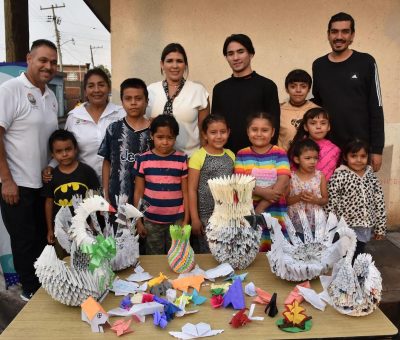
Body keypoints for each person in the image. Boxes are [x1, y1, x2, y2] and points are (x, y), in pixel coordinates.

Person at [0, 39, 59, 301]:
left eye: (53, 62)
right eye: (43, 60)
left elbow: (48, 141)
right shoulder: (10, 90)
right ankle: (29, 293)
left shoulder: (51, 96)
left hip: (41, 185)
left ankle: (41, 290)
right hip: (17, 185)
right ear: (29, 59)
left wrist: (50, 166)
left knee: (39, 241)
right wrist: (6, 180)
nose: (48, 66)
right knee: (23, 243)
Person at [312, 12, 384, 172]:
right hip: (327, 148)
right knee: (328, 195)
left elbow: (376, 106)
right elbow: (316, 105)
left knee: (358, 196)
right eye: (334, 31)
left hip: (359, 149)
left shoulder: (366, 62)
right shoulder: (318, 65)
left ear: (352, 35)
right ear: (328, 35)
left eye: (345, 31)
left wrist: (377, 149)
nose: (339, 36)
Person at [212, 34, 280, 153]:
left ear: (251, 54)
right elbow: (215, 125)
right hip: (226, 157)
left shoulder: (267, 86)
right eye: (230, 53)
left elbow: (274, 125)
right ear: (226, 57)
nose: (236, 57)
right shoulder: (219, 89)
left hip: (259, 158)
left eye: (240, 52)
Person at [133, 115, 189, 255]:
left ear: (175, 137)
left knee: (176, 255)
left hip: (176, 220)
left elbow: (186, 192)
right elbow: (138, 192)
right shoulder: (143, 159)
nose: (165, 142)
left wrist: (186, 220)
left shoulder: (182, 159)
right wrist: (138, 221)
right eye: (160, 137)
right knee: (154, 256)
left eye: (170, 138)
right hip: (151, 220)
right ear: (152, 135)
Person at [234, 112, 290, 251]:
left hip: (274, 211)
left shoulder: (280, 153)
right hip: (249, 210)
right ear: (248, 131)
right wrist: (265, 192)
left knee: (275, 248)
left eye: (264, 130)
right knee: (253, 247)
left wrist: (259, 209)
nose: (259, 134)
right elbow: (241, 182)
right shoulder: (242, 154)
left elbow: (283, 180)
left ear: (272, 132)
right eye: (254, 129)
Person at [57, 68, 125, 180]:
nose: (96, 90)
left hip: (117, 182)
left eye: (101, 85)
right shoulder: (74, 117)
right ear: (85, 91)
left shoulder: (122, 114)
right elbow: (65, 148)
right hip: (83, 181)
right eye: (91, 86)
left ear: (108, 88)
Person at [326, 139, 386, 260]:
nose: (359, 160)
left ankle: (354, 276)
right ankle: (347, 276)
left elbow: (379, 201)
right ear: (345, 157)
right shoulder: (339, 175)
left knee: (358, 253)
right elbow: (331, 203)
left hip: (364, 225)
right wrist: (330, 227)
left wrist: (381, 227)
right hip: (345, 226)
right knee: (345, 255)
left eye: (363, 156)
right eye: (354, 156)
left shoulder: (370, 175)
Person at [146, 43, 209, 157]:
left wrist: (200, 160)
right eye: (169, 61)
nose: (174, 65)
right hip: (155, 160)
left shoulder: (198, 91)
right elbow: (142, 124)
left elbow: (204, 132)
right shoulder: (150, 91)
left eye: (179, 61)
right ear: (162, 64)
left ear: (185, 65)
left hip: (189, 159)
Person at [98, 78, 151, 208]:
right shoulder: (113, 129)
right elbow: (107, 162)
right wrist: (105, 194)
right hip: (117, 198)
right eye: (128, 99)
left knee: (143, 228)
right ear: (122, 101)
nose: (133, 103)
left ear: (146, 101)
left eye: (138, 98)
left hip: (148, 199)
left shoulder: (154, 132)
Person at [42, 130, 99, 246]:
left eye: (68, 149)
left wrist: (93, 224)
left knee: (86, 259)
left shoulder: (87, 172)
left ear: (75, 149)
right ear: (52, 154)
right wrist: (50, 229)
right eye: (59, 151)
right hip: (61, 230)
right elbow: (49, 203)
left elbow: (95, 199)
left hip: (85, 229)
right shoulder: (51, 177)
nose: (64, 154)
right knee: (64, 261)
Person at [188, 114, 235, 253]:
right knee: (207, 252)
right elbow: (192, 189)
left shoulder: (231, 155)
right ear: (205, 134)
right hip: (205, 216)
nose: (219, 136)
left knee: (225, 249)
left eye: (223, 132)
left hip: (226, 214)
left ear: (229, 132)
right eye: (213, 132)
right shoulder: (198, 156)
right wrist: (195, 218)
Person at [286, 139, 328, 232]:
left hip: (316, 225)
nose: (313, 161)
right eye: (308, 158)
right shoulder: (291, 177)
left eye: (315, 158)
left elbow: (325, 199)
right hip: (295, 224)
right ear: (297, 159)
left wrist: (315, 200)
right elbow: (286, 201)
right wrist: (299, 197)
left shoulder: (320, 176)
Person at [288, 108, 340, 180]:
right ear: (306, 127)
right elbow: (292, 173)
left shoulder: (335, 149)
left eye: (323, 123)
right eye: (313, 123)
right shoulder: (298, 146)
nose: (318, 127)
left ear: (328, 127)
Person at [278, 69, 319, 151]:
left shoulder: (316, 110)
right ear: (287, 89)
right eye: (293, 86)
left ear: (309, 89)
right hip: (283, 159)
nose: (298, 90)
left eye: (303, 86)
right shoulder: (278, 110)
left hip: (309, 159)